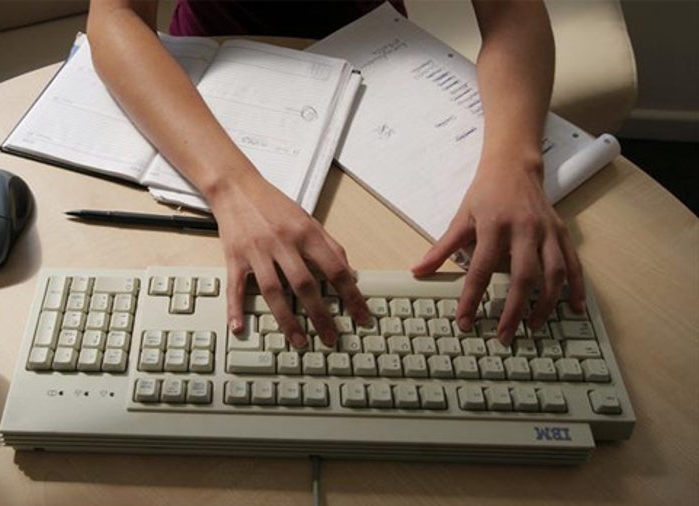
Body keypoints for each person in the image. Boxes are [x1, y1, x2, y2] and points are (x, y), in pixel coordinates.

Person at [86, 0, 585, 349]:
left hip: (376, 69)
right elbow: (115, 14)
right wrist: (231, 187)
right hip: (212, 86)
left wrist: (516, 162)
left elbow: (513, 12)